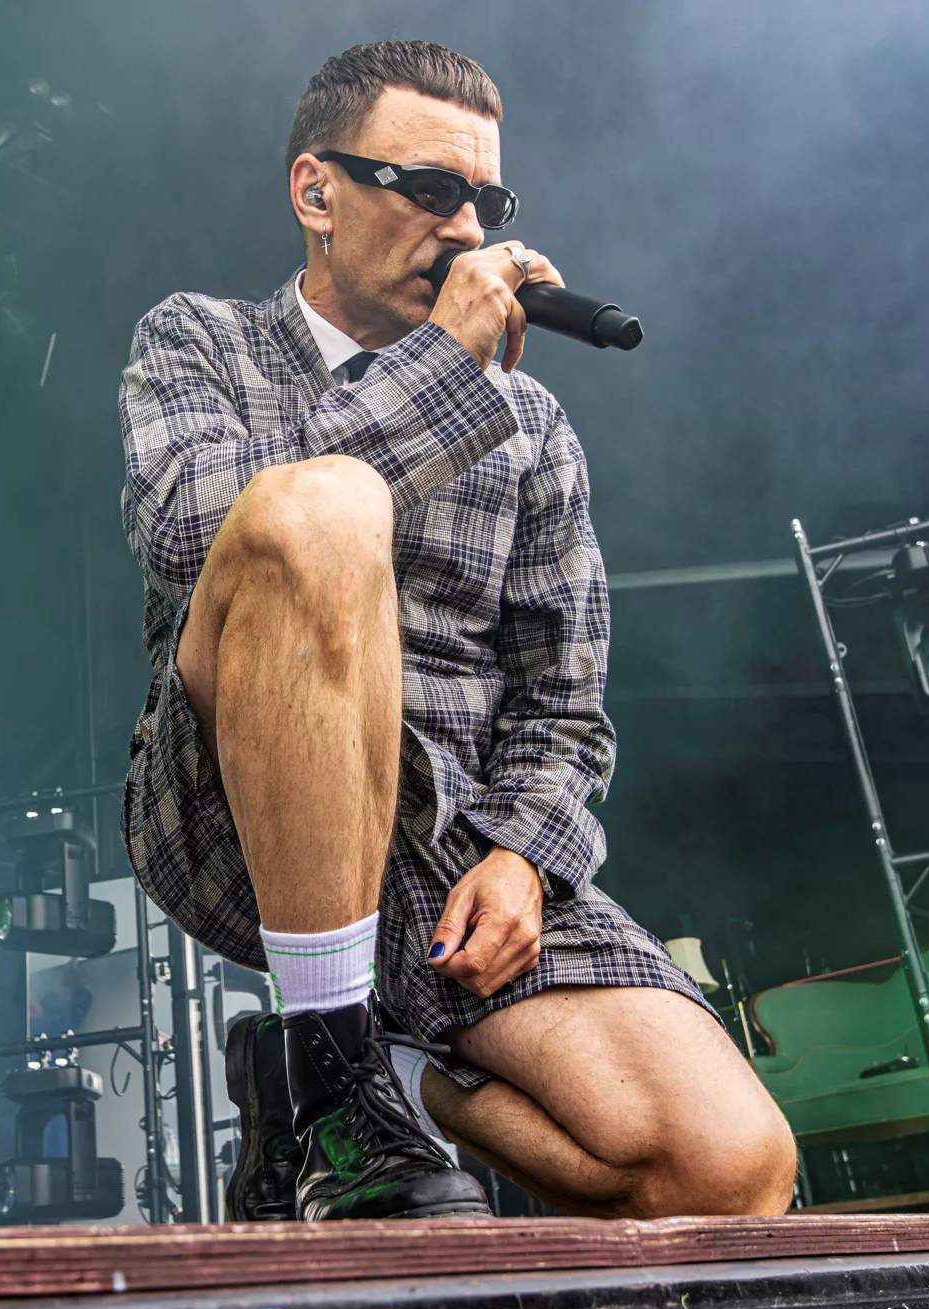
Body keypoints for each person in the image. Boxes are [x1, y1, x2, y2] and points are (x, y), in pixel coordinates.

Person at [119, 40, 795, 1221]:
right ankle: (333, 1077)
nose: (466, 228)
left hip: (450, 833)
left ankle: (377, 1075)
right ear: (316, 193)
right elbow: (184, 534)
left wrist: (521, 856)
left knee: (728, 1173)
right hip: (234, 788)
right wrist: (442, 363)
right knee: (318, 506)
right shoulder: (200, 340)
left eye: (487, 200)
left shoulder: (532, 424)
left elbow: (562, 700)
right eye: (430, 188)